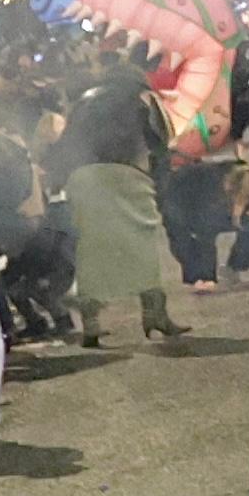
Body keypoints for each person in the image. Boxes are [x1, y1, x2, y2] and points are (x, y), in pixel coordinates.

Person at [53, 73, 189, 350]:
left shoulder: (83, 103)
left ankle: (91, 325)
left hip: (82, 178)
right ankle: (155, 315)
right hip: (128, 175)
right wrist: (160, 188)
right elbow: (158, 144)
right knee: (142, 246)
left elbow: (65, 145)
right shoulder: (141, 101)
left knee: (91, 250)